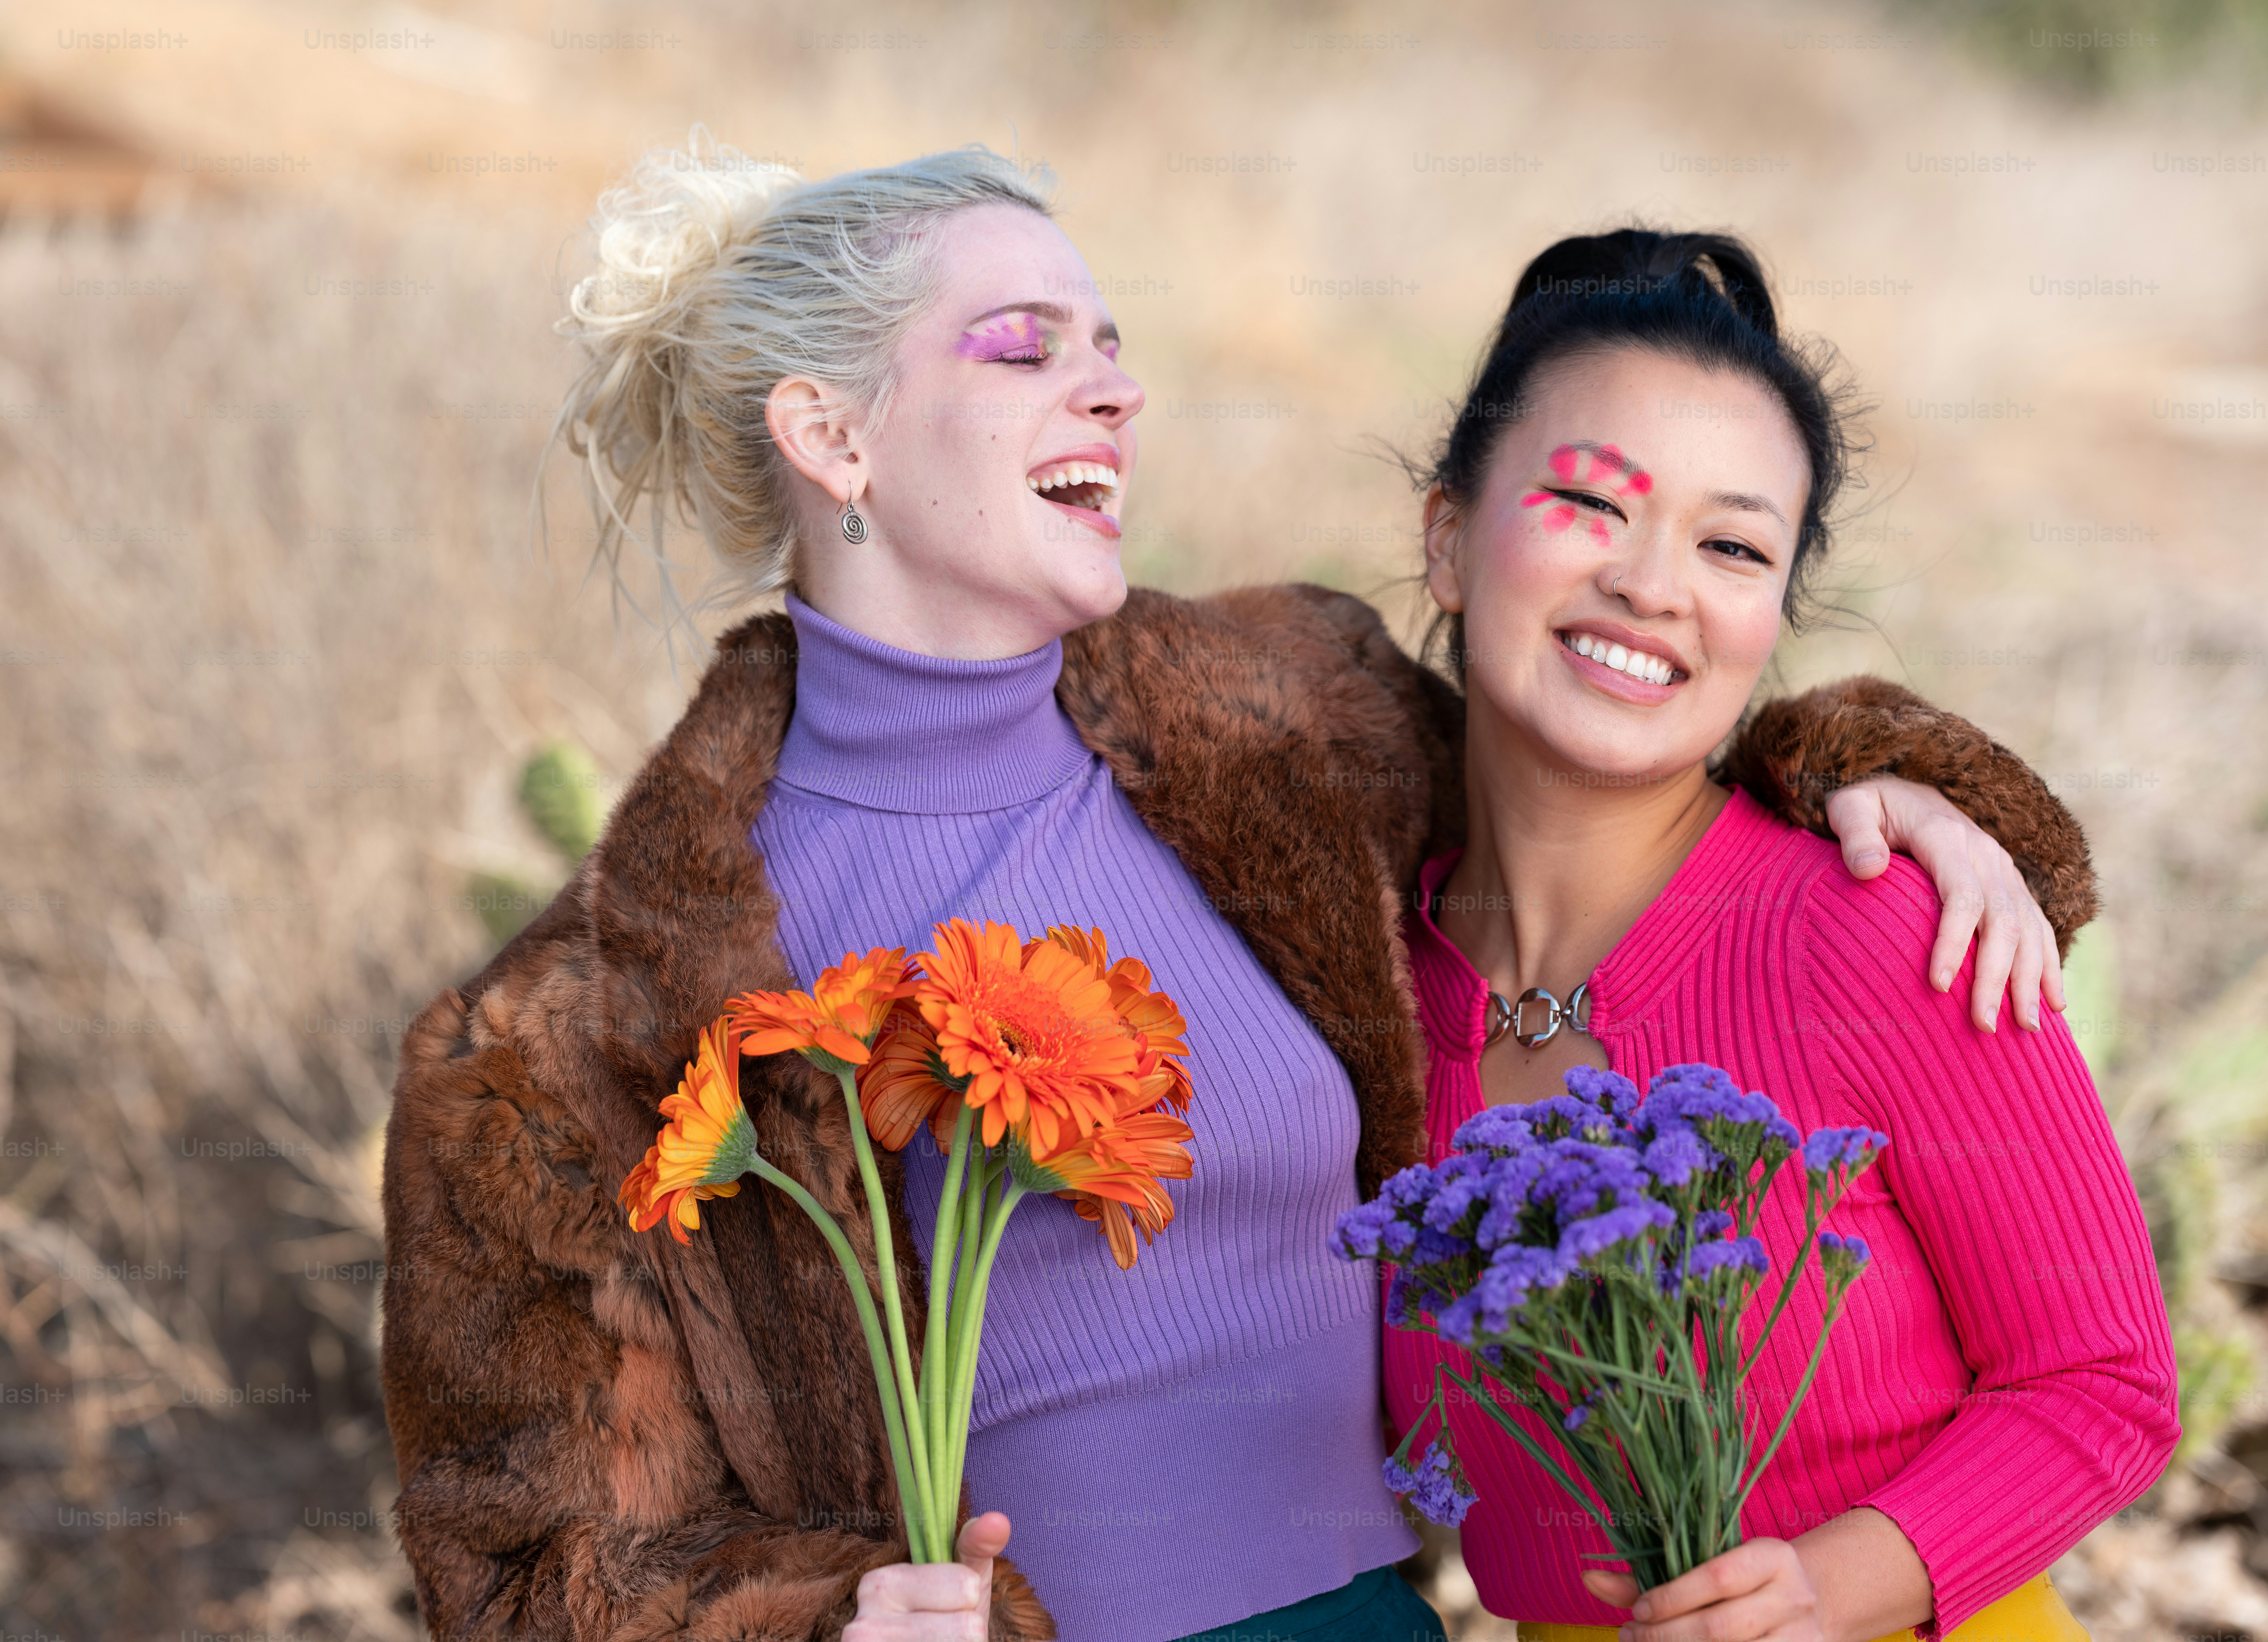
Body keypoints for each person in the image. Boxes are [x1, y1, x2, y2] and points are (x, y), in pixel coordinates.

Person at [377, 137, 2076, 1642]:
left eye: (1113, 349)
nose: (1111, 389)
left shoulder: (1280, 731)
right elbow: (525, 1570)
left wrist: (1878, 773)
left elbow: (1596, 751)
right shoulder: (558, 1039)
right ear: (833, 436)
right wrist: (815, 1625)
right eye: (1025, 348)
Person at [1385, 229, 2176, 1642]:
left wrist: (1831, 1584)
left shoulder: (1883, 924)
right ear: (1448, 537)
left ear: (1771, 615)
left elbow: (2103, 1376)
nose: (1653, 582)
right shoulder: (1357, 988)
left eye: (1732, 543)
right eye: (1587, 502)